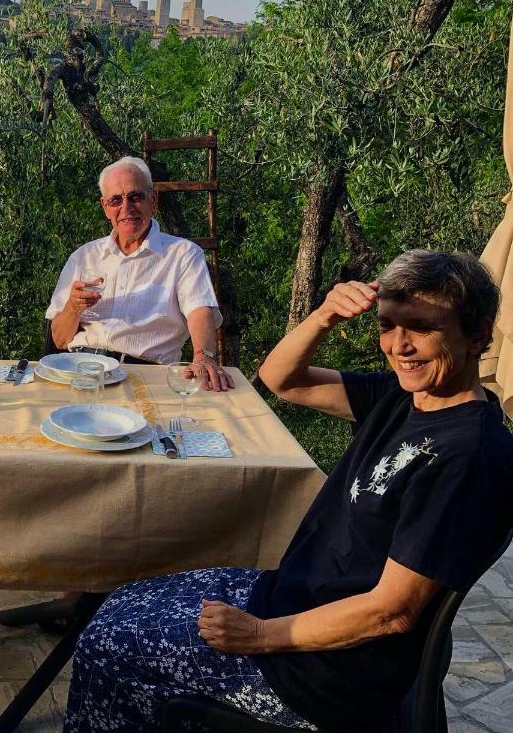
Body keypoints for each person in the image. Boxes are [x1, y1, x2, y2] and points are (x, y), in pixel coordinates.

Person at [64, 249, 513, 732]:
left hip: (320, 673)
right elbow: (282, 380)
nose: (398, 346)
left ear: (479, 333)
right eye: (387, 326)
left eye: (422, 327)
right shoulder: (405, 396)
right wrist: (323, 316)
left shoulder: (467, 457)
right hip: (287, 599)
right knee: (117, 604)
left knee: (105, 646)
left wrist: (259, 635)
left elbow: (392, 612)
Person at [46, 156, 232, 391]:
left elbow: (200, 311)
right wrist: (73, 308)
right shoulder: (84, 256)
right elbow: (60, 340)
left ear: (153, 200)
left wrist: (203, 356)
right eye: (115, 200)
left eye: (135, 197)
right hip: (81, 372)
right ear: (105, 207)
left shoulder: (183, 254)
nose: (126, 208)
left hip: (147, 376)